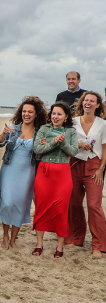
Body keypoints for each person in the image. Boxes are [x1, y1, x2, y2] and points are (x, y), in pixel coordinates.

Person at [0, 96, 48, 249]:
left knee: (20, 205)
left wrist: (43, 147)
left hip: (28, 173)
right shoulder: (12, 128)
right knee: (8, 203)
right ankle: (5, 236)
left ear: (36, 114)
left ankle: (13, 239)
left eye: (30, 111)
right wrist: (4, 133)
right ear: (20, 113)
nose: (26, 114)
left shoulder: (39, 133)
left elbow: (39, 156)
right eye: (24, 111)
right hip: (9, 169)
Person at [33, 101, 78, 258]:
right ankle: (39, 244)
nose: (55, 116)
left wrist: (63, 142)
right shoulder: (44, 129)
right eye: (53, 113)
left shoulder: (71, 131)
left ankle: (59, 247)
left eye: (59, 114)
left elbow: (73, 151)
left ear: (66, 116)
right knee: (41, 206)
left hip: (62, 173)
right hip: (44, 172)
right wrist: (53, 142)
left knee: (60, 210)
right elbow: (37, 149)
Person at [66, 92, 106, 259]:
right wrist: (78, 144)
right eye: (86, 100)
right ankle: (76, 238)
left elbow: (104, 148)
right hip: (74, 165)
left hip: (94, 167)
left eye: (92, 101)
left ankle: (99, 245)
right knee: (74, 203)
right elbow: (66, 143)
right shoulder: (72, 122)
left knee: (94, 205)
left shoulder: (103, 124)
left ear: (97, 105)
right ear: (82, 103)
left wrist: (101, 169)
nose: (88, 103)